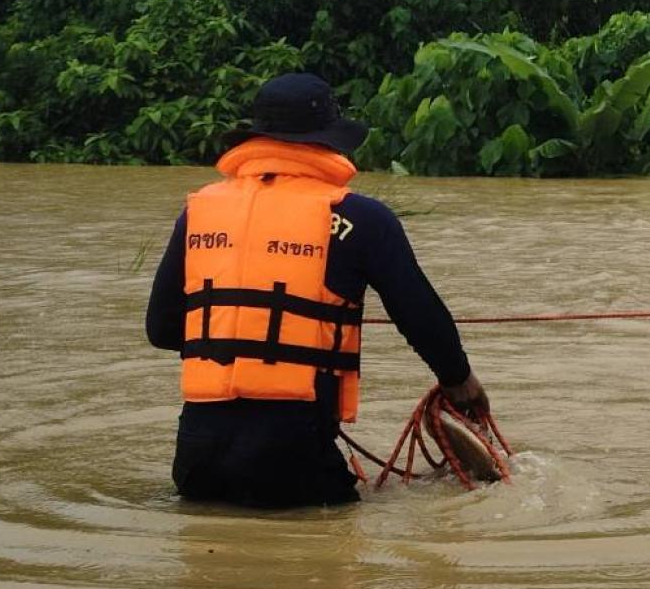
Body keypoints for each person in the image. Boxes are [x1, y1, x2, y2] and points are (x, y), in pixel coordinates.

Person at [144, 73, 489, 509]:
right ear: (327, 142)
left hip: (198, 454)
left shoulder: (198, 213)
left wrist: (245, 334)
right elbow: (419, 315)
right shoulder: (361, 218)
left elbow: (161, 328)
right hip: (295, 452)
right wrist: (460, 383)